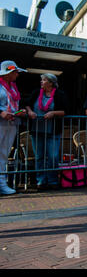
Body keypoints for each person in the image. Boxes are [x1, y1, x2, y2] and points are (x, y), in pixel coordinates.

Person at [25, 73, 69, 190]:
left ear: (50, 83)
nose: (41, 82)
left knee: (53, 156)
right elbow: (27, 105)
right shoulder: (36, 93)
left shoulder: (60, 94)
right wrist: (30, 112)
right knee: (39, 156)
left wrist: (53, 113)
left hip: (53, 130)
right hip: (37, 130)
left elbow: (65, 111)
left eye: (43, 80)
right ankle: (41, 180)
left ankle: (53, 180)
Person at [0, 61, 27, 195]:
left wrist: (19, 112)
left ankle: (2, 184)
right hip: (1, 122)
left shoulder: (13, 87)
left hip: (11, 123)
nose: (17, 74)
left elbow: (14, 104)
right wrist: (1, 113)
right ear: (8, 73)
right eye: (15, 72)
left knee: (4, 154)